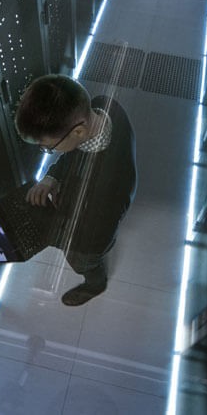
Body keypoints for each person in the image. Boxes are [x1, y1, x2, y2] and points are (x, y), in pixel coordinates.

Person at [15, 74, 137, 306]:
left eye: (48, 147)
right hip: (91, 209)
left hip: (90, 240)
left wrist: (40, 231)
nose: (45, 149)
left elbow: (91, 239)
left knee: (83, 262)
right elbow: (74, 153)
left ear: (78, 132)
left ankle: (96, 284)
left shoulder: (106, 190)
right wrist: (52, 177)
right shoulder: (103, 105)